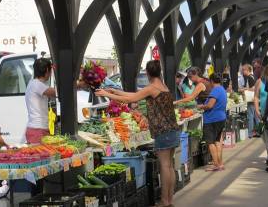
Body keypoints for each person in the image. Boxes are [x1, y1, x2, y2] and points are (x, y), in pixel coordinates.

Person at [96, 60, 179, 207]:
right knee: (170, 166)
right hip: (172, 130)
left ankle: (165, 202)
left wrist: (105, 94)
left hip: (162, 131)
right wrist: (115, 92)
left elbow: (131, 99)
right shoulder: (162, 86)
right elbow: (135, 94)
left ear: (147, 73)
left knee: (165, 166)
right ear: (159, 71)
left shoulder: (152, 87)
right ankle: (170, 200)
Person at [197, 73, 227, 172]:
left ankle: (216, 164)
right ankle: (220, 163)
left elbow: (210, 105)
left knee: (210, 143)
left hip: (212, 119)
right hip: (221, 118)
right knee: (218, 141)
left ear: (212, 81)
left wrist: (201, 106)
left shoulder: (215, 91)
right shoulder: (222, 89)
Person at [25, 57, 57, 144]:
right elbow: (57, 92)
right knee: (42, 157)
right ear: (47, 70)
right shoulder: (37, 84)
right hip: (38, 130)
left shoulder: (33, 83)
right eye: (50, 71)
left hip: (37, 128)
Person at [239, 64, 258, 138]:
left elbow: (253, 88)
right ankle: (258, 131)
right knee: (256, 115)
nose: (242, 71)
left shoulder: (250, 77)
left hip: (251, 99)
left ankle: (250, 133)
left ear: (247, 70)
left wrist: (243, 89)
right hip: (255, 98)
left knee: (250, 115)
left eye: (243, 70)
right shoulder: (254, 76)